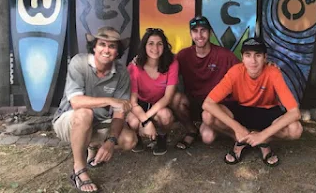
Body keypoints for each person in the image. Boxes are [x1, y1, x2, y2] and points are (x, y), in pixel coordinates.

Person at [52, 27, 136, 192]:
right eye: (102, 44)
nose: (106, 50)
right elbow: (76, 102)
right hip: (68, 120)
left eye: (112, 46)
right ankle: (79, 170)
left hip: (99, 121)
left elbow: (119, 112)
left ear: (117, 50)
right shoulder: (79, 62)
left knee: (129, 140)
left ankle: (94, 146)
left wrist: (111, 141)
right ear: (94, 47)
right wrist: (109, 100)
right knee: (85, 113)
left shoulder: (121, 72)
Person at [201, 37, 303, 167]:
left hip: (267, 112)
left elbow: (295, 113)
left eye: (258, 55)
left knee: (296, 129)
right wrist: (237, 128)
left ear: (265, 58)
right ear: (242, 58)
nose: (253, 61)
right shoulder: (235, 72)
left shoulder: (273, 72)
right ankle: (240, 139)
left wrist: (263, 135)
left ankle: (263, 141)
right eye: (248, 55)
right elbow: (207, 103)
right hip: (242, 110)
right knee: (207, 115)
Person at [171, 16, 239, 150]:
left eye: (203, 30)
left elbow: (244, 72)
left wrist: (267, 68)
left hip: (216, 105)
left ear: (210, 32)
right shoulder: (183, 55)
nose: (199, 35)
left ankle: (237, 134)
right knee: (176, 99)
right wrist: (141, 63)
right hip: (195, 103)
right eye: (195, 31)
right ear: (191, 34)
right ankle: (191, 130)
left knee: (207, 137)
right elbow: (164, 69)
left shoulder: (224, 55)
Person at [126, 28, 178, 155]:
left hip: (160, 103)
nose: (155, 48)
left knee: (165, 117)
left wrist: (146, 121)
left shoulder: (172, 63)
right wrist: (144, 121)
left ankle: (161, 137)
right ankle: (137, 138)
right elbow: (133, 102)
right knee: (133, 121)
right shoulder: (134, 66)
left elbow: (167, 98)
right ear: (144, 46)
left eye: (159, 43)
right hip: (139, 103)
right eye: (151, 43)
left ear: (164, 46)